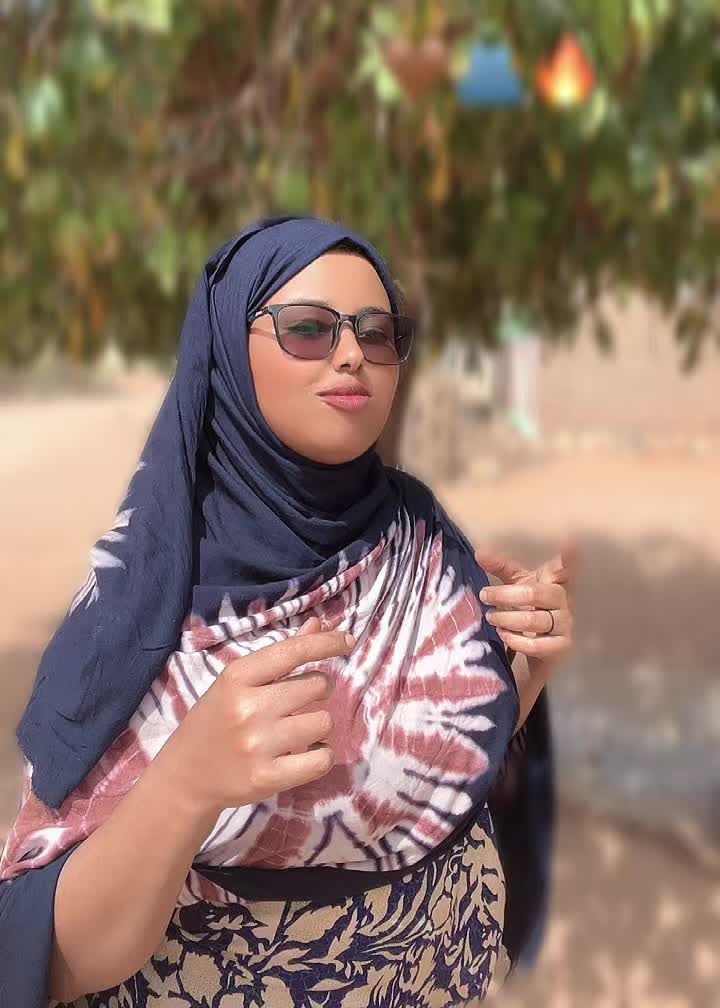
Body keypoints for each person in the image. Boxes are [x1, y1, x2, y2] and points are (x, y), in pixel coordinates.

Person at [0, 217, 575, 1007]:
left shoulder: (425, 541)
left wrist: (524, 670)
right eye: (309, 328)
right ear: (228, 350)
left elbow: (438, 764)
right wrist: (186, 784)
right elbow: (55, 956)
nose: (352, 355)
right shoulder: (144, 603)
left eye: (378, 334)